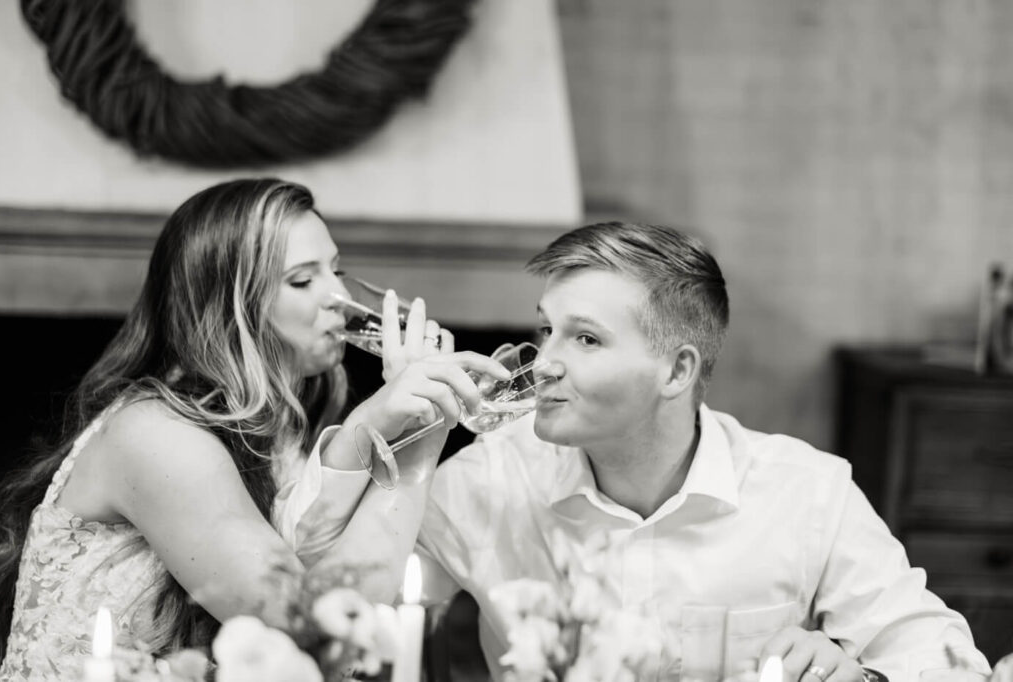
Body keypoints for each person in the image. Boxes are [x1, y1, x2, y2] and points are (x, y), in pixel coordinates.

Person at [407, 222, 991, 682]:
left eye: (585, 338)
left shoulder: (806, 491)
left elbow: (947, 661)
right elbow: (343, 603)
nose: (546, 362)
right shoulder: (489, 477)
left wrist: (860, 677)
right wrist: (400, 437)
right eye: (546, 331)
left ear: (677, 370)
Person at [0, 178, 507, 680]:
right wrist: (408, 433)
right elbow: (317, 631)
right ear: (228, 307)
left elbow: (347, 602)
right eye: (303, 280)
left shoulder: (280, 444)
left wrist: (410, 424)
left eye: (336, 270)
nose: (339, 297)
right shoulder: (154, 433)